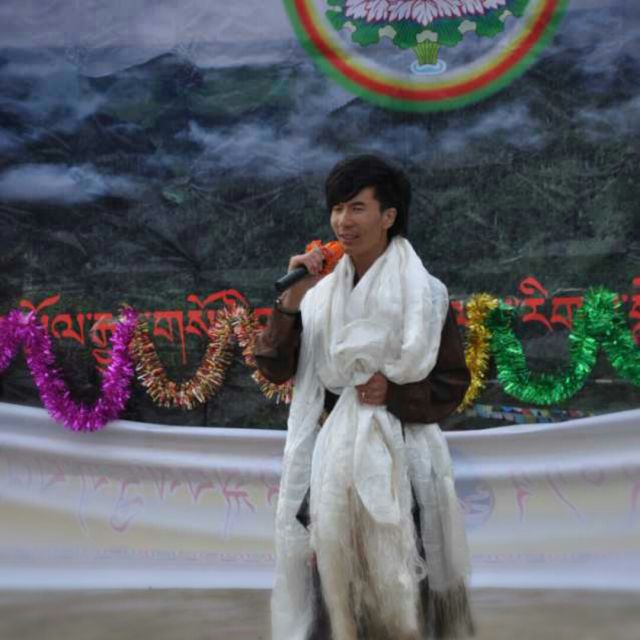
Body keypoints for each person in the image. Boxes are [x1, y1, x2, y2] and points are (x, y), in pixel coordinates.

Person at [255, 155, 474, 640]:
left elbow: (451, 382)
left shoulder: (425, 294)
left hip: (402, 465)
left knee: (404, 590)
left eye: (357, 208)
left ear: (388, 215)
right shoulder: (317, 294)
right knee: (333, 593)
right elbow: (275, 367)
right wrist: (291, 300)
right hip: (330, 463)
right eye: (337, 209)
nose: (343, 221)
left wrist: (394, 392)